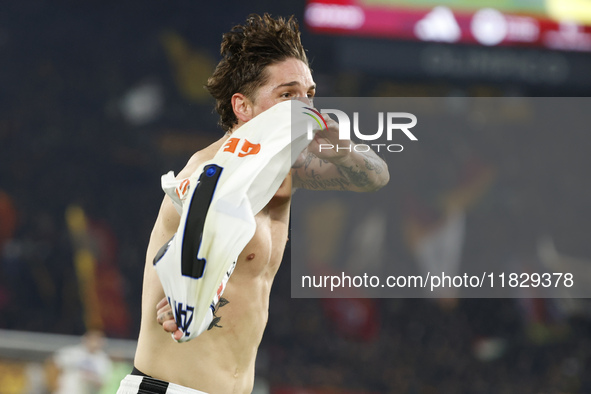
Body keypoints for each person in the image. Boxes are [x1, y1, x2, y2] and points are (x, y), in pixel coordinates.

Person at [117, 13, 389, 394]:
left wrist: (344, 153)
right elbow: (196, 231)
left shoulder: (288, 172)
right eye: (287, 95)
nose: (303, 108)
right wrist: (187, 293)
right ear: (242, 107)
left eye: (309, 94)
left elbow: (377, 177)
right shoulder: (207, 173)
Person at [53, 330, 112, 394]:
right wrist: (53, 385)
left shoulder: (104, 359)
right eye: (92, 339)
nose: (94, 342)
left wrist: (90, 378)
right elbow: (53, 364)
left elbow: (104, 382)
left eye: (97, 340)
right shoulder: (72, 352)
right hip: (66, 390)